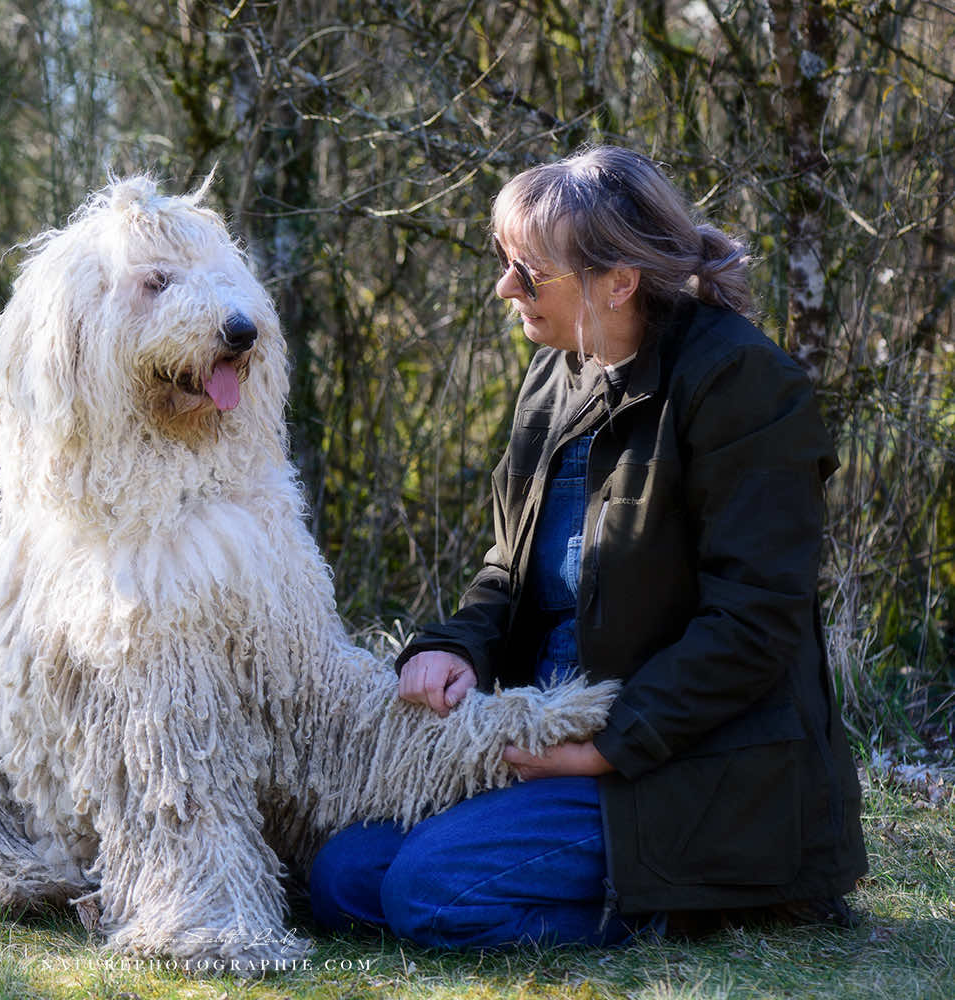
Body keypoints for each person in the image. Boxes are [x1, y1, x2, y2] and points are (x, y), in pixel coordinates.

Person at [308, 145, 867, 949]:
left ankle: (723, 900)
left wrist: (603, 748)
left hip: (689, 768)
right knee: (340, 878)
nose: (506, 288)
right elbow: (507, 569)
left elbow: (755, 626)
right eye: (505, 263)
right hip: (552, 742)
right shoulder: (555, 375)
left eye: (529, 271)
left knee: (425, 894)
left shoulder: (744, 385)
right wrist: (453, 648)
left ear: (619, 280)